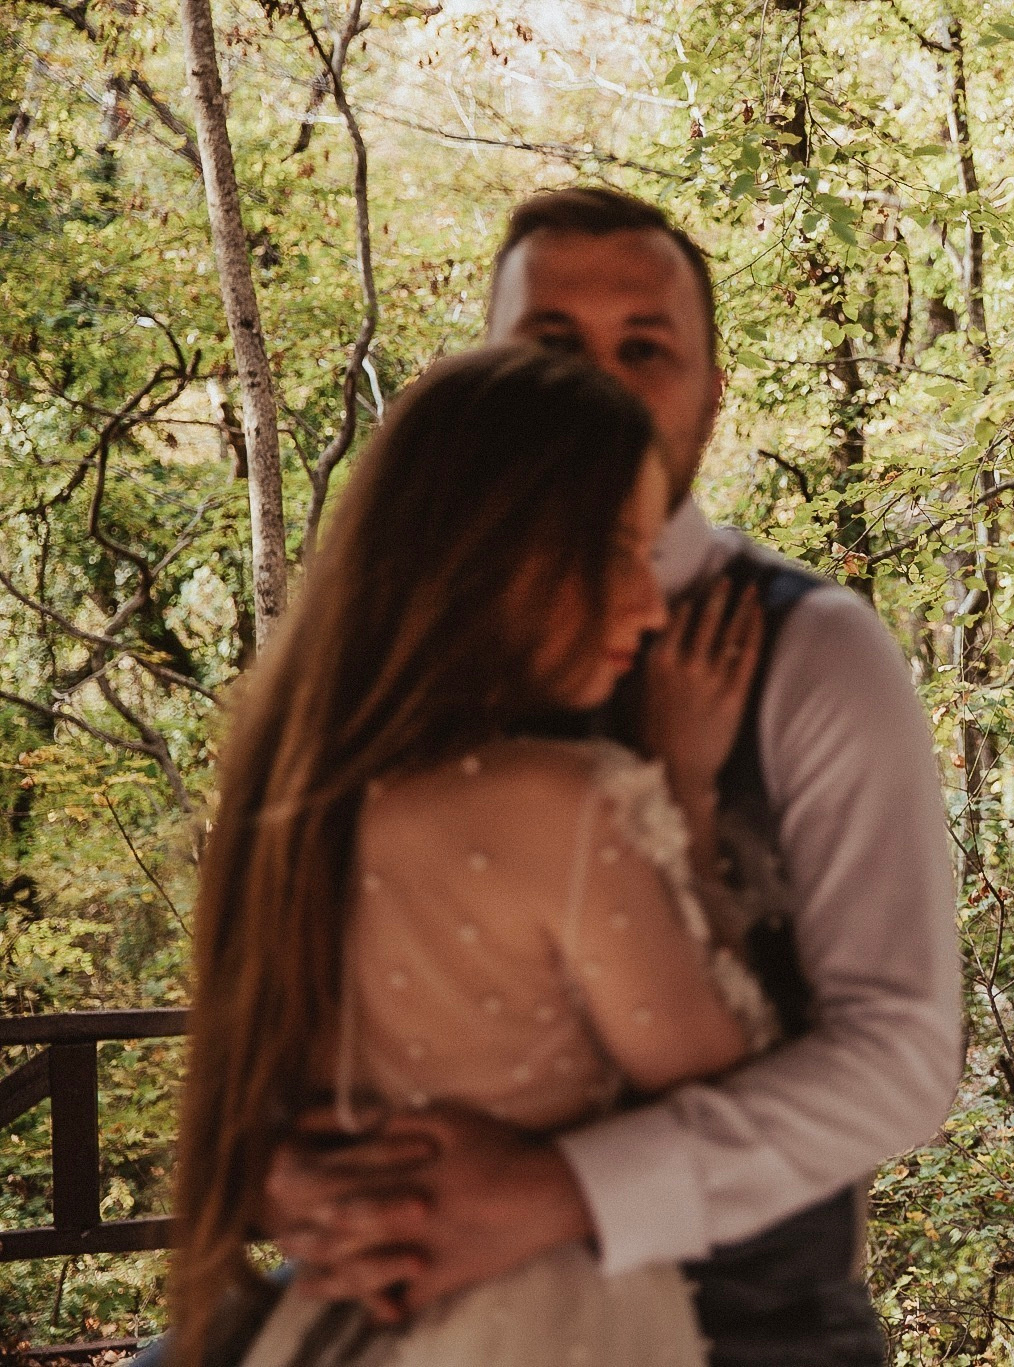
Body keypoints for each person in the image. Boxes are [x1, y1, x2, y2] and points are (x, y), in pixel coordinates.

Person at [142, 188, 960, 1366]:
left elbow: (899, 1056)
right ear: (494, 374)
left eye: (645, 347)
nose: (602, 383)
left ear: (712, 392)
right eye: (555, 346)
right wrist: (290, 1176)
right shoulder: (372, 665)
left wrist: (555, 1191)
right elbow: (284, 997)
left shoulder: (814, 652)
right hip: (386, 1288)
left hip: (738, 1313)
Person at [169, 344, 779, 1367]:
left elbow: (250, 1107)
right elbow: (732, 1095)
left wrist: (298, 1184)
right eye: (621, 553)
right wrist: (682, 782)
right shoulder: (565, 806)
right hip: (552, 1320)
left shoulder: (288, 794)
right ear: (502, 551)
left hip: (344, 1320)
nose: (648, 605)